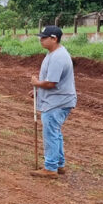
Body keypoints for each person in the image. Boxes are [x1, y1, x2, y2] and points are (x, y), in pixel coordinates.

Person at [30, 25, 77, 178]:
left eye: (44, 37)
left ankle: (50, 168)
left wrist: (37, 84)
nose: (41, 40)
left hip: (57, 102)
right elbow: (50, 82)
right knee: (55, 133)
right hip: (57, 100)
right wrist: (38, 91)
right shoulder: (53, 54)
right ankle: (59, 165)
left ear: (54, 38)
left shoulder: (58, 57)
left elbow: (51, 83)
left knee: (51, 133)